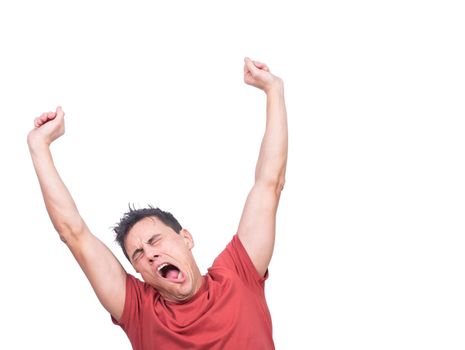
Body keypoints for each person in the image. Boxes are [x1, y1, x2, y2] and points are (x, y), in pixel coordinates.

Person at [27, 57, 288, 350]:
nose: (150, 254)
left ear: (186, 238)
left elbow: (269, 184)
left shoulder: (237, 274)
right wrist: (39, 146)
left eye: (155, 240)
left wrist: (273, 91)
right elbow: (73, 233)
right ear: (139, 271)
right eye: (138, 253)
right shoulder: (140, 309)